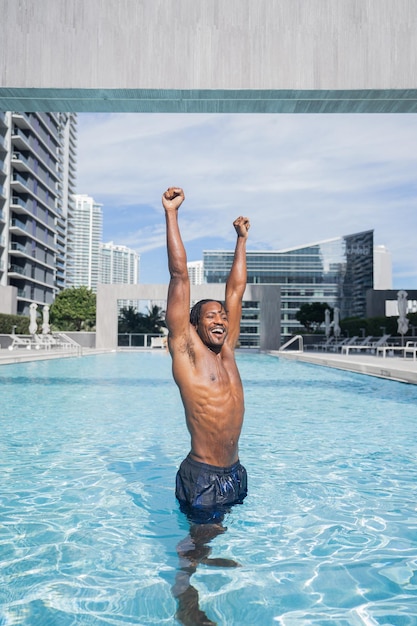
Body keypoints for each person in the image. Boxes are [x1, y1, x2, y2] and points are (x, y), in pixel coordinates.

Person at [163, 187, 250, 626]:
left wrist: (241, 240)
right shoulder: (188, 353)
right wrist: (172, 214)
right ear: (194, 324)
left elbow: (236, 289)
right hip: (203, 474)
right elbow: (180, 278)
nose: (220, 319)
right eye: (210, 316)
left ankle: (208, 552)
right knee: (194, 542)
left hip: (233, 471)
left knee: (214, 530)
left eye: (222, 316)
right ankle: (185, 598)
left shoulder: (228, 351)